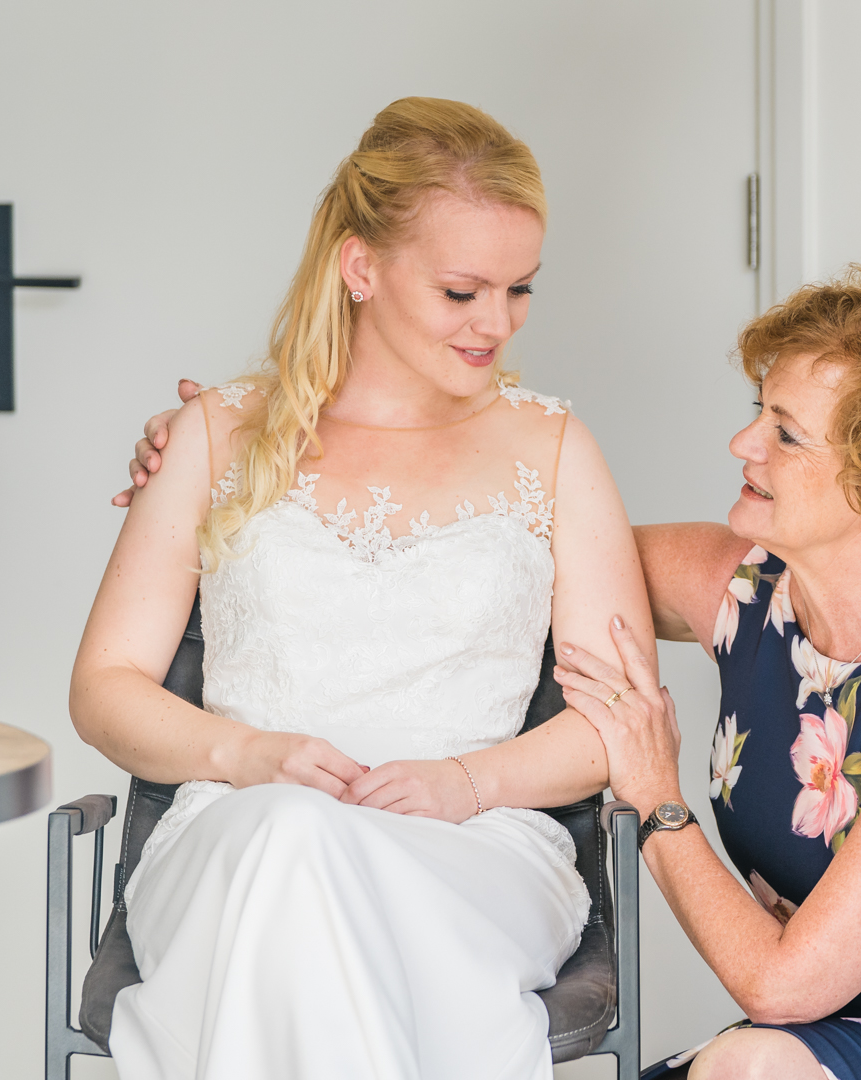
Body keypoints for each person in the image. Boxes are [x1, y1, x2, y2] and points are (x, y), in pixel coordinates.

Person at [119, 276, 861, 1078]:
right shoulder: (742, 590)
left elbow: (783, 989)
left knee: (749, 1066)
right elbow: (488, 550)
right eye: (758, 409)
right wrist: (234, 451)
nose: (742, 442)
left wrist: (657, 798)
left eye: (786, 434)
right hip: (819, 1052)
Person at [71, 96, 652, 1080]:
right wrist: (246, 755)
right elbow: (105, 686)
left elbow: (615, 723)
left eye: (519, 290)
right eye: (462, 291)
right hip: (238, 831)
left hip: (476, 845)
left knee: (307, 883)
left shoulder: (553, 448)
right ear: (360, 267)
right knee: (293, 842)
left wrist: (464, 782)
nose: (497, 323)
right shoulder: (217, 434)